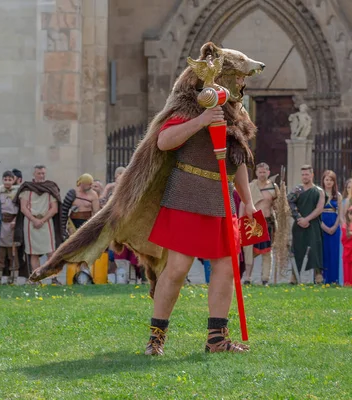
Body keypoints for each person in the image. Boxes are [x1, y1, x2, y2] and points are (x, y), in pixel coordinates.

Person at [29, 42, 265, 355]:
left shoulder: (236, 113)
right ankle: (156, 337)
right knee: (178, 268)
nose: (242, 84)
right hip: (187, 197)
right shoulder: (189, 106)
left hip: (220, 201)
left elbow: (237, 164)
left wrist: (247, 201)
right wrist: (202, 121)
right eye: (237, 77)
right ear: (221, 77)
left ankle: (216, 339)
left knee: (225, 267)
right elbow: (165, 141)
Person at [14, 165, 62, 277]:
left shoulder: (50, 188)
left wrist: (42, 220)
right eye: (39, 173)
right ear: (34, 174)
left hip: (46, 223)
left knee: (51, 252)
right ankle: (37, 278)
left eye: (43, 173)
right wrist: (34, 220)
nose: (41, 175)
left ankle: (53, 278)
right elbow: (23, 208)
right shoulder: (26, 189)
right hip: (31, 223)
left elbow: (54, 209)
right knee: (33, 253)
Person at [242, 162, 278, 286]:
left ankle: (265, 278)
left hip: (268, 221)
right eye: (260, 172)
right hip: (253, 222)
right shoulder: (250, 186)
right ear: (256, 173)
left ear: (268, 173)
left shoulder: (273, 187)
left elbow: (278, 204)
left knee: (267, 251)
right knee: (249, 250)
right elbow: (244, 203)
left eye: (264, 172)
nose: (262, 174)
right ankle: (248, 277)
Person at [288, 165, 325, 284]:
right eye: (303, 174)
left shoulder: (319, 191)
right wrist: (299, 218)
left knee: (315, 248)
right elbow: (290, 204)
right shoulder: (296, 190)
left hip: (313, 224)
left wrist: (307, 219)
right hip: (298, 224)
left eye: (307, 174)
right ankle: (294, 277)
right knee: (297, 248)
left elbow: (319, 208)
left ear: (312, 175)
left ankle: (318, 275)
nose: (305, 177)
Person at [0, 171, 20, 284]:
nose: (7, 182)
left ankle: (13, 277)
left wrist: (15, 220)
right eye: (5, 179)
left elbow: (20, 208)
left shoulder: (17, 191)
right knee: (0, 253)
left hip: (12, 225)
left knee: (13, 253)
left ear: (13, 180)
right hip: (1, 224)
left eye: (10, 180)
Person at [61, 173, 101, 239]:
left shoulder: (93, 195)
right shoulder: (73, 193)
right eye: (89, 184)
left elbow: (96, 212)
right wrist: (63, 228)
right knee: (73, 241)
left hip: (87, 222)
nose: (91, 186)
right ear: (83, 183)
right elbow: (64, 211)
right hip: (73, 221)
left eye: (91, 184)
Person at [320, 170, 341, 284]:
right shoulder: (319, 194)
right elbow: (317, 213)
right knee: (323, 252)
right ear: (323, 181)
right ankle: (322, 278)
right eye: (326, 179)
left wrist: (334, 226)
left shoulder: (338, 196)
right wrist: (324, 227)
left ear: (334, 182)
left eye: (331, 180)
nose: (328, 182)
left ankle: (334, 279)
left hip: (334, 225)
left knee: (334, 252)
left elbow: (340, 214)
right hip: (322, 224)